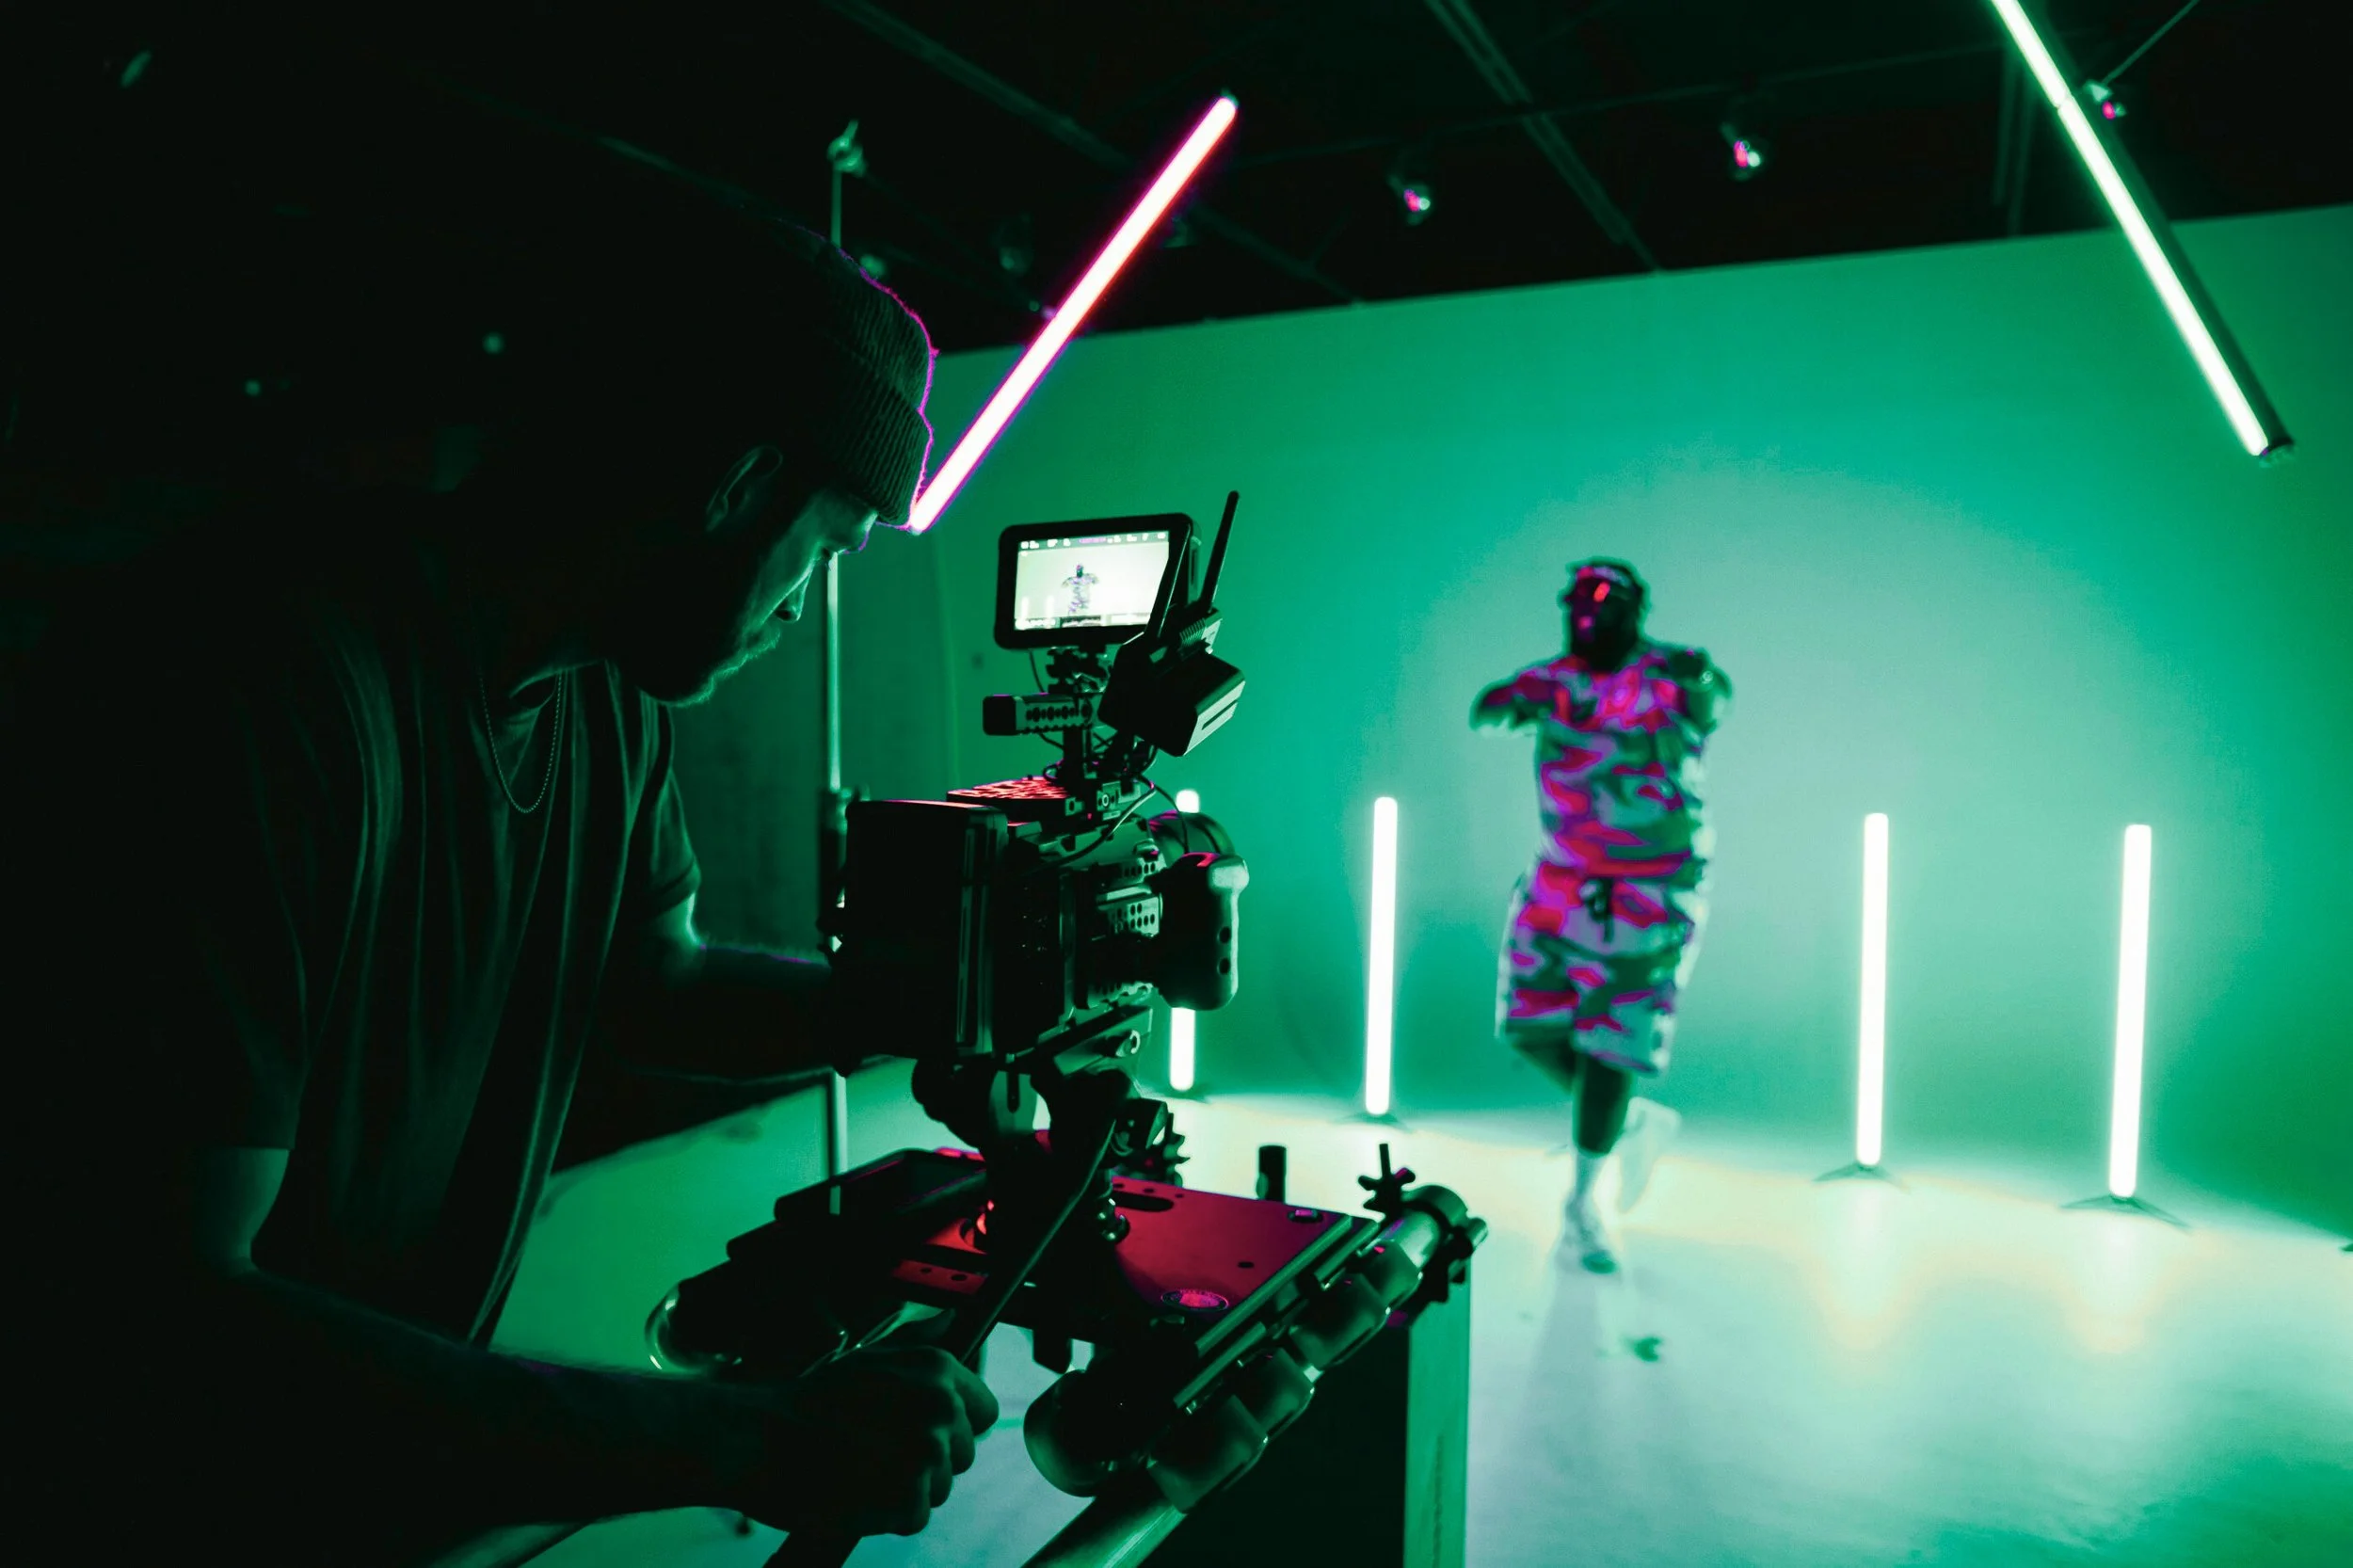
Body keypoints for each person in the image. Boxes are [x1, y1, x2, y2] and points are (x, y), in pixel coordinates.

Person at [2, 184, 999, 1560]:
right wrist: (760, 1437)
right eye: (826, 546)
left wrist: (926, 1002)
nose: (803, 605)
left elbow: (649, 984)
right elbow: (171, 1303)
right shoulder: (253, 685)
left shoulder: (610, 701)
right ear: (738, 479)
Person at [1471, 558, 1730, 1272]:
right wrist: (1513, 705)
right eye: (1577, 605)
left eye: (1603, 606)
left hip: (1648, 890)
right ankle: (1628, 1122)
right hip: (1562, 878)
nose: (1587, 617)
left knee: (1612, 1044)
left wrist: (1700, 684)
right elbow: (1489, 709)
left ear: (1633, 612)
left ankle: (1586, 1204)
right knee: (1527, 1025)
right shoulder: (1553, 681)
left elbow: (1713, 700)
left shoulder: (1673, 673)